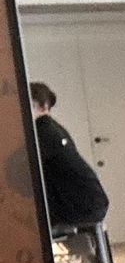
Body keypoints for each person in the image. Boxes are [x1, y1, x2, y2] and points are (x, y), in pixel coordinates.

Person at [29, 81, 109, 229]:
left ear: (42, 106)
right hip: (91, 201)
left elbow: (22, 168)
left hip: (80, 206)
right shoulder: (54, 129)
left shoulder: (43, 132)